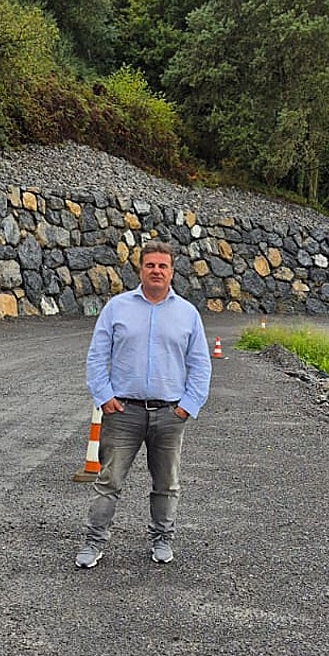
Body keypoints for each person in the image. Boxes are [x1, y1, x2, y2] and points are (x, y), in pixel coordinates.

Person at [76, 240, 212, 569]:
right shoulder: (117, 308)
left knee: (167, 483)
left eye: (162, 266)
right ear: (141, 269)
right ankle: (94, 543)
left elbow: (200, 364)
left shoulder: (187, 314)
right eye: (150, 265)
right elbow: (97, 357)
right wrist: (104, 397)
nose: (156, 270)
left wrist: (187, 407)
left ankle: (163, 539)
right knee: (109, 482)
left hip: (169, 414)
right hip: (123, 412)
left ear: (171, 271)